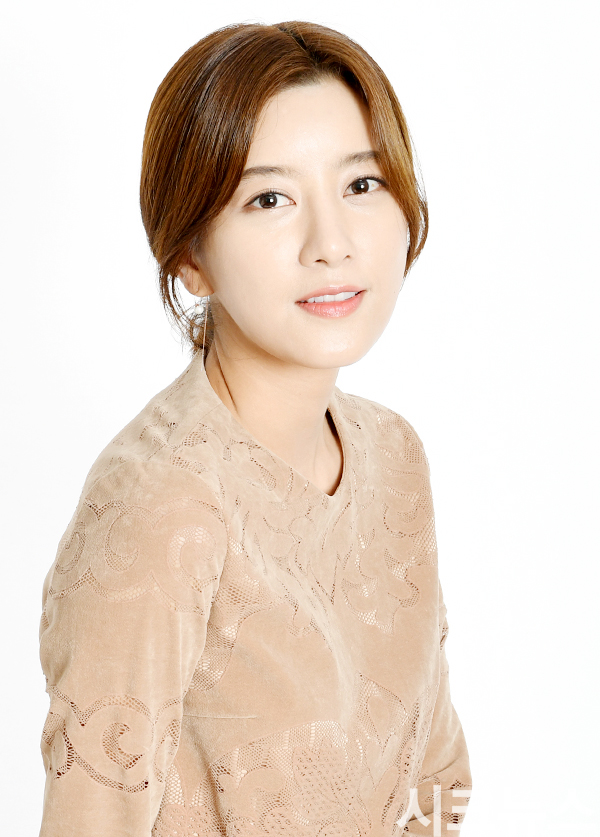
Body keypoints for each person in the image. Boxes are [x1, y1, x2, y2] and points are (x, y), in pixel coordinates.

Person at [38, 20, 472, 836]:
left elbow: (437, 776)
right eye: (269, 199)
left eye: (362, 183)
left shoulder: (394, 456)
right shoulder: (162, 508)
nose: (332, 244)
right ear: (190, 255)